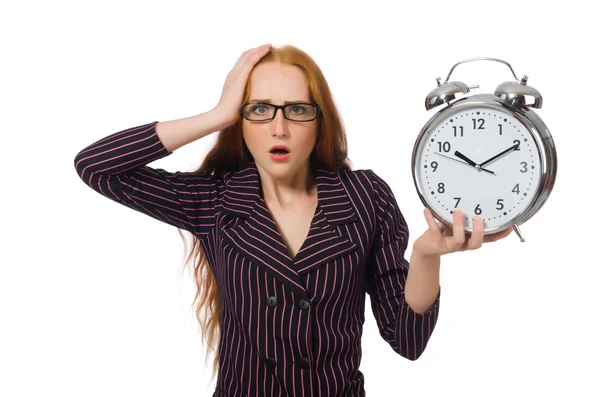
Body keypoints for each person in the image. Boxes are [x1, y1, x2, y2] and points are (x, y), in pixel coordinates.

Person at [74, 43, 513, 396]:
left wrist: (426, 256)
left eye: (297, 110)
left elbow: (408, 340)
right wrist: (216, 114)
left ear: (320, 122)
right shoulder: (215, 198)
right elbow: (96, 166)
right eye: (260, 109)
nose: (279, 128)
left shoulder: (364, 197)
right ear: (241, 122)